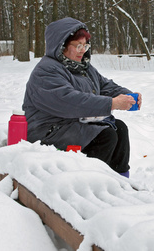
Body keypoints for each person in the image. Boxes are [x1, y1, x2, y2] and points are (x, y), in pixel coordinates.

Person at [22, 17, 141, 177]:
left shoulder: (83, 67)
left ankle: (120, 180)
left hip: (71, 124)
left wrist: (127, 96)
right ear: (61, 46)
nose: (83, 50)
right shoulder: (46, 71)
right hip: (46, 130)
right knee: (105, 136)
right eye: (78, 45)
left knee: (119, 128)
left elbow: (104, 86)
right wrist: (112, 103)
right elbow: (69, 102)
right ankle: (89, 181)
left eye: (85, 45)